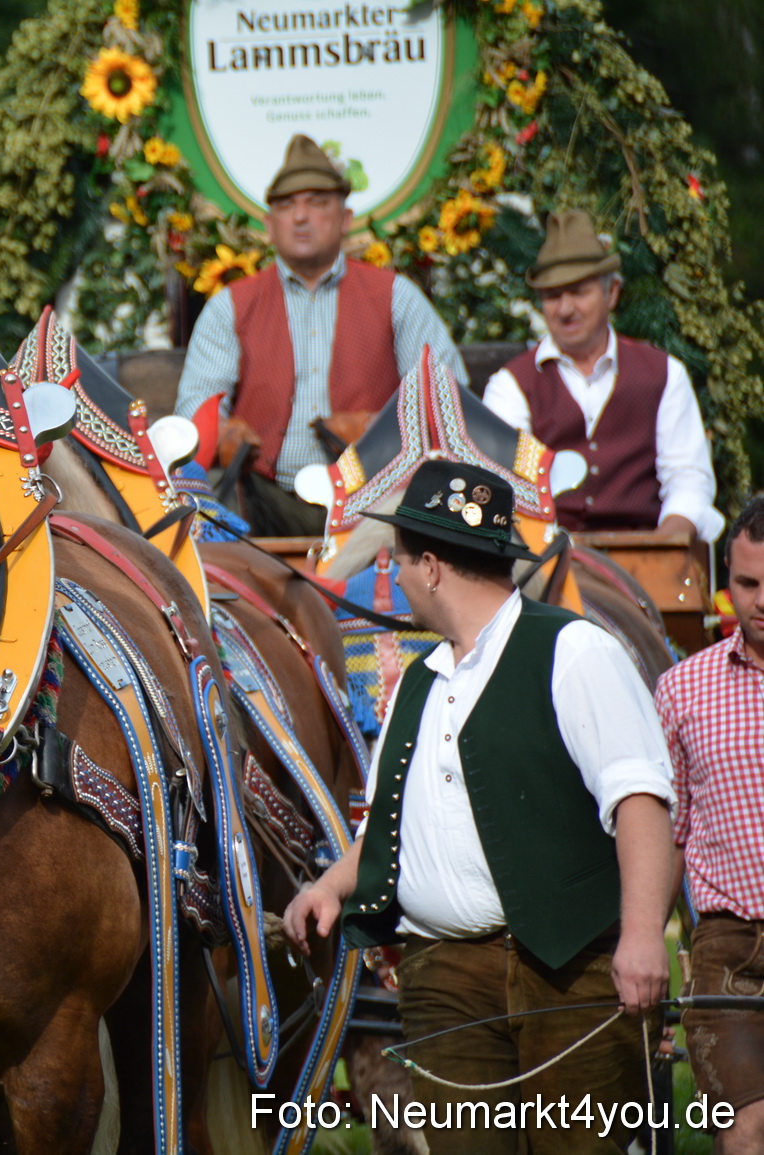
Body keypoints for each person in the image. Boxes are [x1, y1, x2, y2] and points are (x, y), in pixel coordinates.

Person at [282, 460, 677, 1153]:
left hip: (570, 969)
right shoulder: (418, 682)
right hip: (445, 979)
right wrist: (327, 887)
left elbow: (640, 801)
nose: (395, 576)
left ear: (431, 566)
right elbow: (387, 824)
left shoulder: (574, 650)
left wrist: (644, 935)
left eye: (398, 561)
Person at [174, 133, 466, 535]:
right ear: (268, 224)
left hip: (375, 506)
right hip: (260, 505)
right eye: (286, 205)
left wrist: (380, 430)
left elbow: (448, 400)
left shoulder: (396, 296)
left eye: (317, 202)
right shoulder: (231, 305)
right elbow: (196, 411)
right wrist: (221, 434)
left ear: (346, 218)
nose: (300, 216)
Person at [483, 209, 723, 542]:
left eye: (579, 291)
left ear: (612, 293)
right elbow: (507, 485)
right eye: (552, 296)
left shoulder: (663, 373)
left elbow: (688, 477)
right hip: (546, 560)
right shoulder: (512, 385)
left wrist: (665, 543)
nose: (565, 309)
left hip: (647, 551)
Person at [655, 495, 764, 1151]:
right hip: (729, 951)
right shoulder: (682, 689)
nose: (761, 600)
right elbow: (666, 832)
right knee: (747, 1131)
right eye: (748, 583)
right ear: (726, 582)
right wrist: (639, 938)